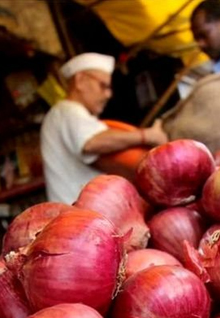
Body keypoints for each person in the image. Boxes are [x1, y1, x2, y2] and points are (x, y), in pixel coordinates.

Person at [41, 52, 168, 204]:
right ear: (80, 80)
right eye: (103, 86)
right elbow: (92, 143)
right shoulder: (68, 110)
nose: (108, 94)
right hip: (76, 213)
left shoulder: (67, 114)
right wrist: (147, 135)